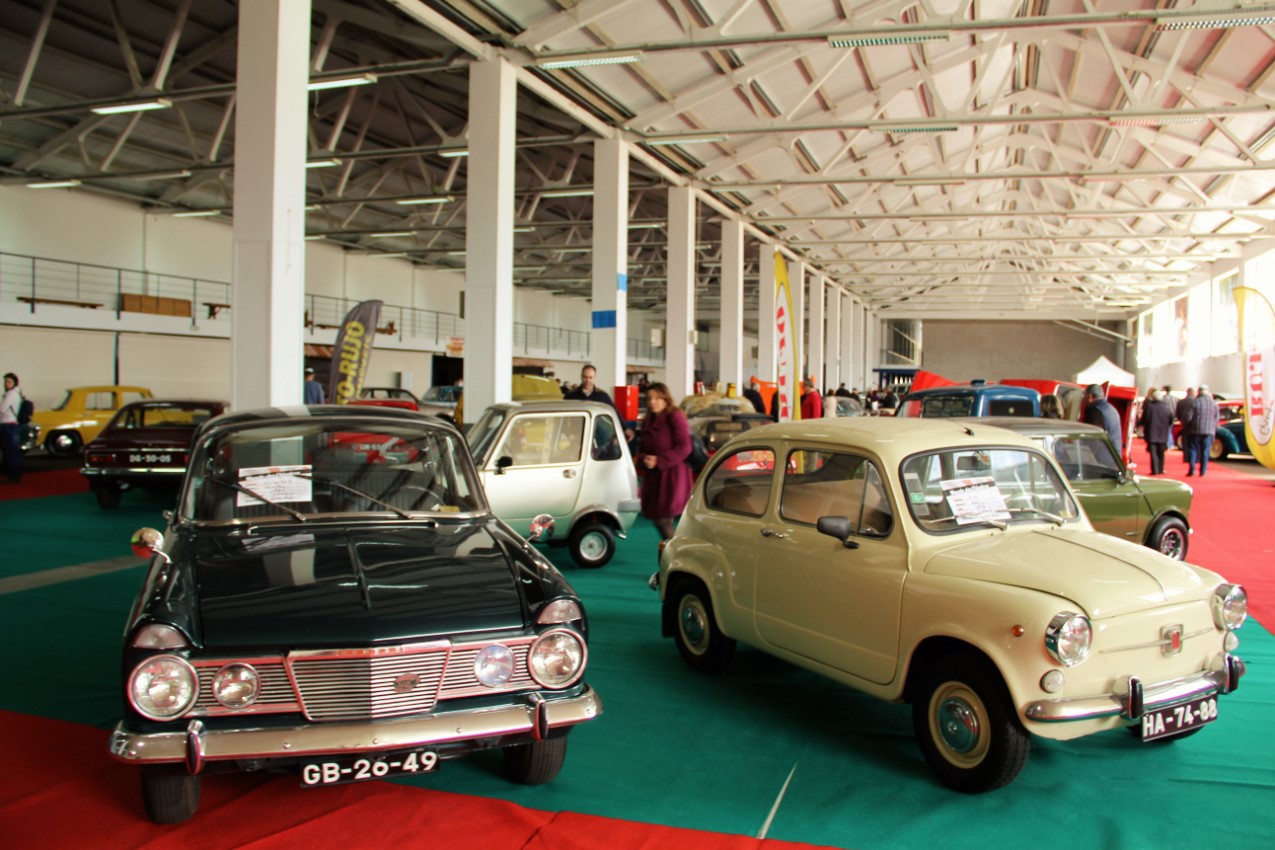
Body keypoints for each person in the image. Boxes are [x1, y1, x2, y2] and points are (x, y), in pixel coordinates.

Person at [634, 382, 693, 541]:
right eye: (649, 398)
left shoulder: (675, 416)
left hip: (672, 476)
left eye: (657, 398)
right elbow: (642, 448)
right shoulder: (648, 420)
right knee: (661, 521)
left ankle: (677, 555)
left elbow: (685, 447)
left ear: (666, 399)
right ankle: (674, 555)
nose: (652, 402)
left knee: (663, 520)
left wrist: (659, 460)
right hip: (655, 478)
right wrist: (643, 459)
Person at [1186, 385, 1219, 477]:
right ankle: (1203, 471)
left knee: (1192, 450)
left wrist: (1187, 425)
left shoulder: (1195, 402)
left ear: (1199, 392)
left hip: (1195, 430)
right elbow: (1216, 419)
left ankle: (1192, 470)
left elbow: (1188, 417)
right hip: (1209, 431)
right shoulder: (1214, 404)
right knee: (1205, 451)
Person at [1082, 384, 1122, 455]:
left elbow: (1093, 438)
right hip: (1115, 455)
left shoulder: (1095, 412)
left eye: (1085, 396)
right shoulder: (1112, 409)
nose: (1084, 399)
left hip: (1103, 457)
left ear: (1090, 396)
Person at [1140, 388, 1173, 475]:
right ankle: (1161, 469)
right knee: (1161, 453)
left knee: (1153, 453)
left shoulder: (1149, 408)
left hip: (1151, 433)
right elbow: (1171, 420)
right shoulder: (1167, 408)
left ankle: (1154, 470)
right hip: (1163, 433)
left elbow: (1144, 420)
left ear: (1153, 398)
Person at [1, 373, 25, 483]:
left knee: (11, 452)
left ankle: (13, 475)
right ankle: (14, 474)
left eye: (9, 381)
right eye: (6, 381)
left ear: (14, 382)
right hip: (13, 425)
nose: (6, 384)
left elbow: (2, 409)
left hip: (9, 425)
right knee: (13, 451)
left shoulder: (11, 394)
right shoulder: (17, 393)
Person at [1175, 387, 1197, 470]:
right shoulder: (1195, 401)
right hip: (1194, 426)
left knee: (1186, 443)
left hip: (1184, 425)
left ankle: (1186, 458)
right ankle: (1194, 459)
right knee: (1193, 445)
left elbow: (1177, 414)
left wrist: (1182, 420)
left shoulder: (1181, 402)